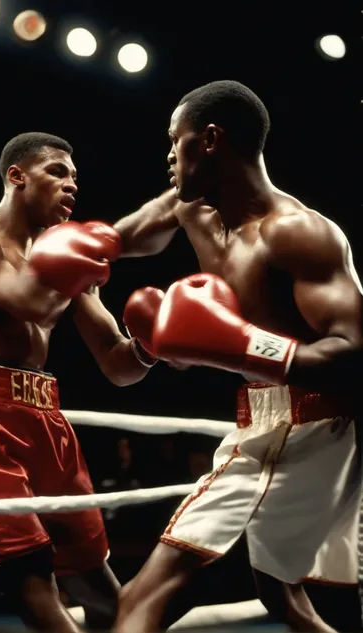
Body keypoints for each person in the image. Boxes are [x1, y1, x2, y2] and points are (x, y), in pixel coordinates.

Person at [113, 81, 363, 633]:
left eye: (174, 142)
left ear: (209, 140)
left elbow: (352, 352)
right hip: (260, 417)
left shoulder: (298, 233)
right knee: (283, 598)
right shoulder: (193, 212)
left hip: (315, 425)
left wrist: (245, 345)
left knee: (141, 601)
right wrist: (54, 243)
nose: (167, 157)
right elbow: (116, 241)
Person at [0, 132, 158, 633]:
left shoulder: (63, 262)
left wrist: (158, 344)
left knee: (102, 591)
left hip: (44, 415)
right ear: (16, 176)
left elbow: (118, 366)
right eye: (57, 172)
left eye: (75, 177)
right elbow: (30, 302)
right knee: (30, 578)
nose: (71, 185)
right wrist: (78, 265)